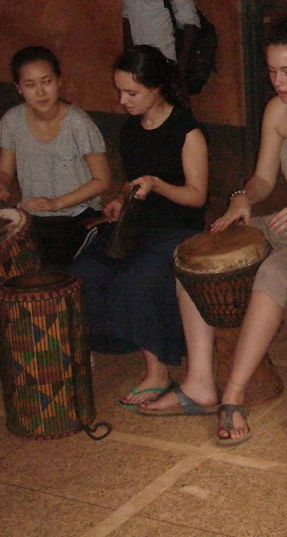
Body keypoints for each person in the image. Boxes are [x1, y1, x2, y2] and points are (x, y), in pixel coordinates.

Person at [138, 3, 287, 443]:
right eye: (272, 72)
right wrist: (243, 200)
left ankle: (233, 394)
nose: (278, 82)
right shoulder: (277, 112)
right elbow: (265, 179)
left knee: (273, 270)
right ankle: (200, 381)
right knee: (193, 257)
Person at [70, 45, 208, 407]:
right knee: (86, 270)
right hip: (140, 226)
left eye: (132, 93)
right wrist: (120, 200)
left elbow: (197, 197)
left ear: (157, 88)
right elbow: (130, 183)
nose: (123, 100)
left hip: (179, 229)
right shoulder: (131, 129)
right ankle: (115, 340)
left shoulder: (186, 131)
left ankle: (157, 371)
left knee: (138, 279)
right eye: (120, 92)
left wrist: (158, 184)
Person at [0, 46, 110, 266]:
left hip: (77, 214)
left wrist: (56, 203)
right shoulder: (12, 121)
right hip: (33, 213)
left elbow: (102, 180)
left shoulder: (79, 123)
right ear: (19, 88)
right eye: (30, 85)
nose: (40, 92)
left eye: (47, 81)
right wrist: (1, 187)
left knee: (49, 266)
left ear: (59, 81)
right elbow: (4, 171)